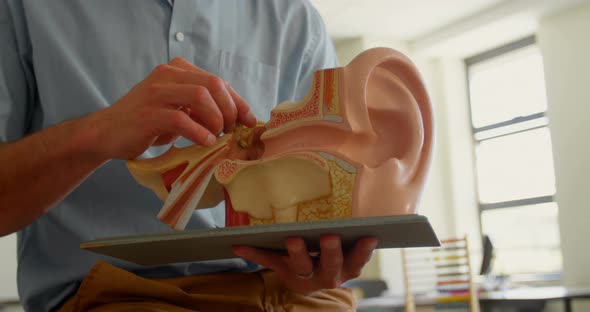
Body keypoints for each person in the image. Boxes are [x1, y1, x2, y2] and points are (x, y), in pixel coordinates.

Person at [0, 1, 378, 311]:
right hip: (119, 297)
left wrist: (322, 262)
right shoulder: (25, 9)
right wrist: (98, 133)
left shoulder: (296, 22)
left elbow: (329, 206)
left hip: (295, 293)